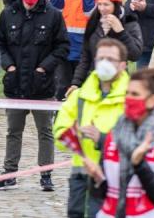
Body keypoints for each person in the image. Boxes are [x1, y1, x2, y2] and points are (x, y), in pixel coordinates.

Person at [0, 0, 67, 192]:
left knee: (45, 131)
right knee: (13, 131)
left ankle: (46, 174)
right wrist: (9, 66)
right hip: (15, 85)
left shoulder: (53, 15)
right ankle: (9, 173)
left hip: (42, 86)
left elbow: (62, 46)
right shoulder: (8, 14)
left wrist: (44, 68)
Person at [83, 69, 154, 218]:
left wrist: (139, 164)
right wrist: (96, 178)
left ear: (152, 100)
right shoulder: (115, 133)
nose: (128, 99)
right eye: (127, 93)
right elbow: (102, 193)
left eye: (135, 94)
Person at [53, 38, 130, 218]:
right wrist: (73, 136)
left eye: (110, 59)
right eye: (101, 58)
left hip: (119, 176)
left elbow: (139, 138)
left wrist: (102, 139)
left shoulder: (132, 97)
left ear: (123, 65)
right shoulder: (78, 96)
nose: (104, 63)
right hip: (81, 175)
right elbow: (59, 133)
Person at [69, 0, 143, 91]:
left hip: (119, 82)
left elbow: (135, 55)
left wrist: (121, 32)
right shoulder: (93, 23)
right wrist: (76, 83)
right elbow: (86, 57)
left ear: (116, 5)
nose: (102, 8)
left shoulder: (130, 23)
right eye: (99, 4)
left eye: (106, 4)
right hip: (93, 81)